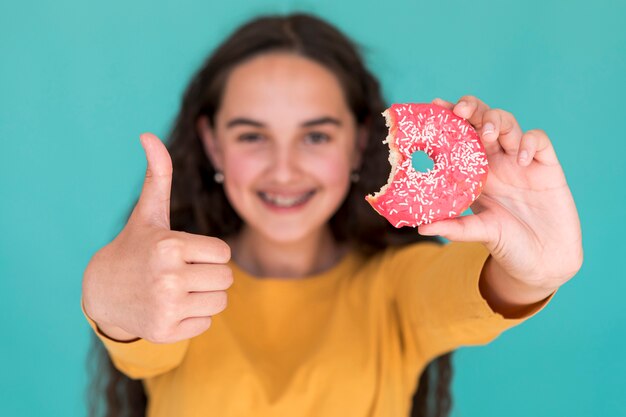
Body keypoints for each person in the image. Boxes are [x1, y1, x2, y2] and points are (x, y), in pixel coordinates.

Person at [81, 12, 583, 417]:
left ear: (360, 141)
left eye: (316, 135)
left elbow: (484, 290)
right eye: (252, 135)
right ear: (212, 143)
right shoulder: (173, 285)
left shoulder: (396, 290)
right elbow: (141, 323)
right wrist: (104, 292)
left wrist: (535, 269)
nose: (284, 169)